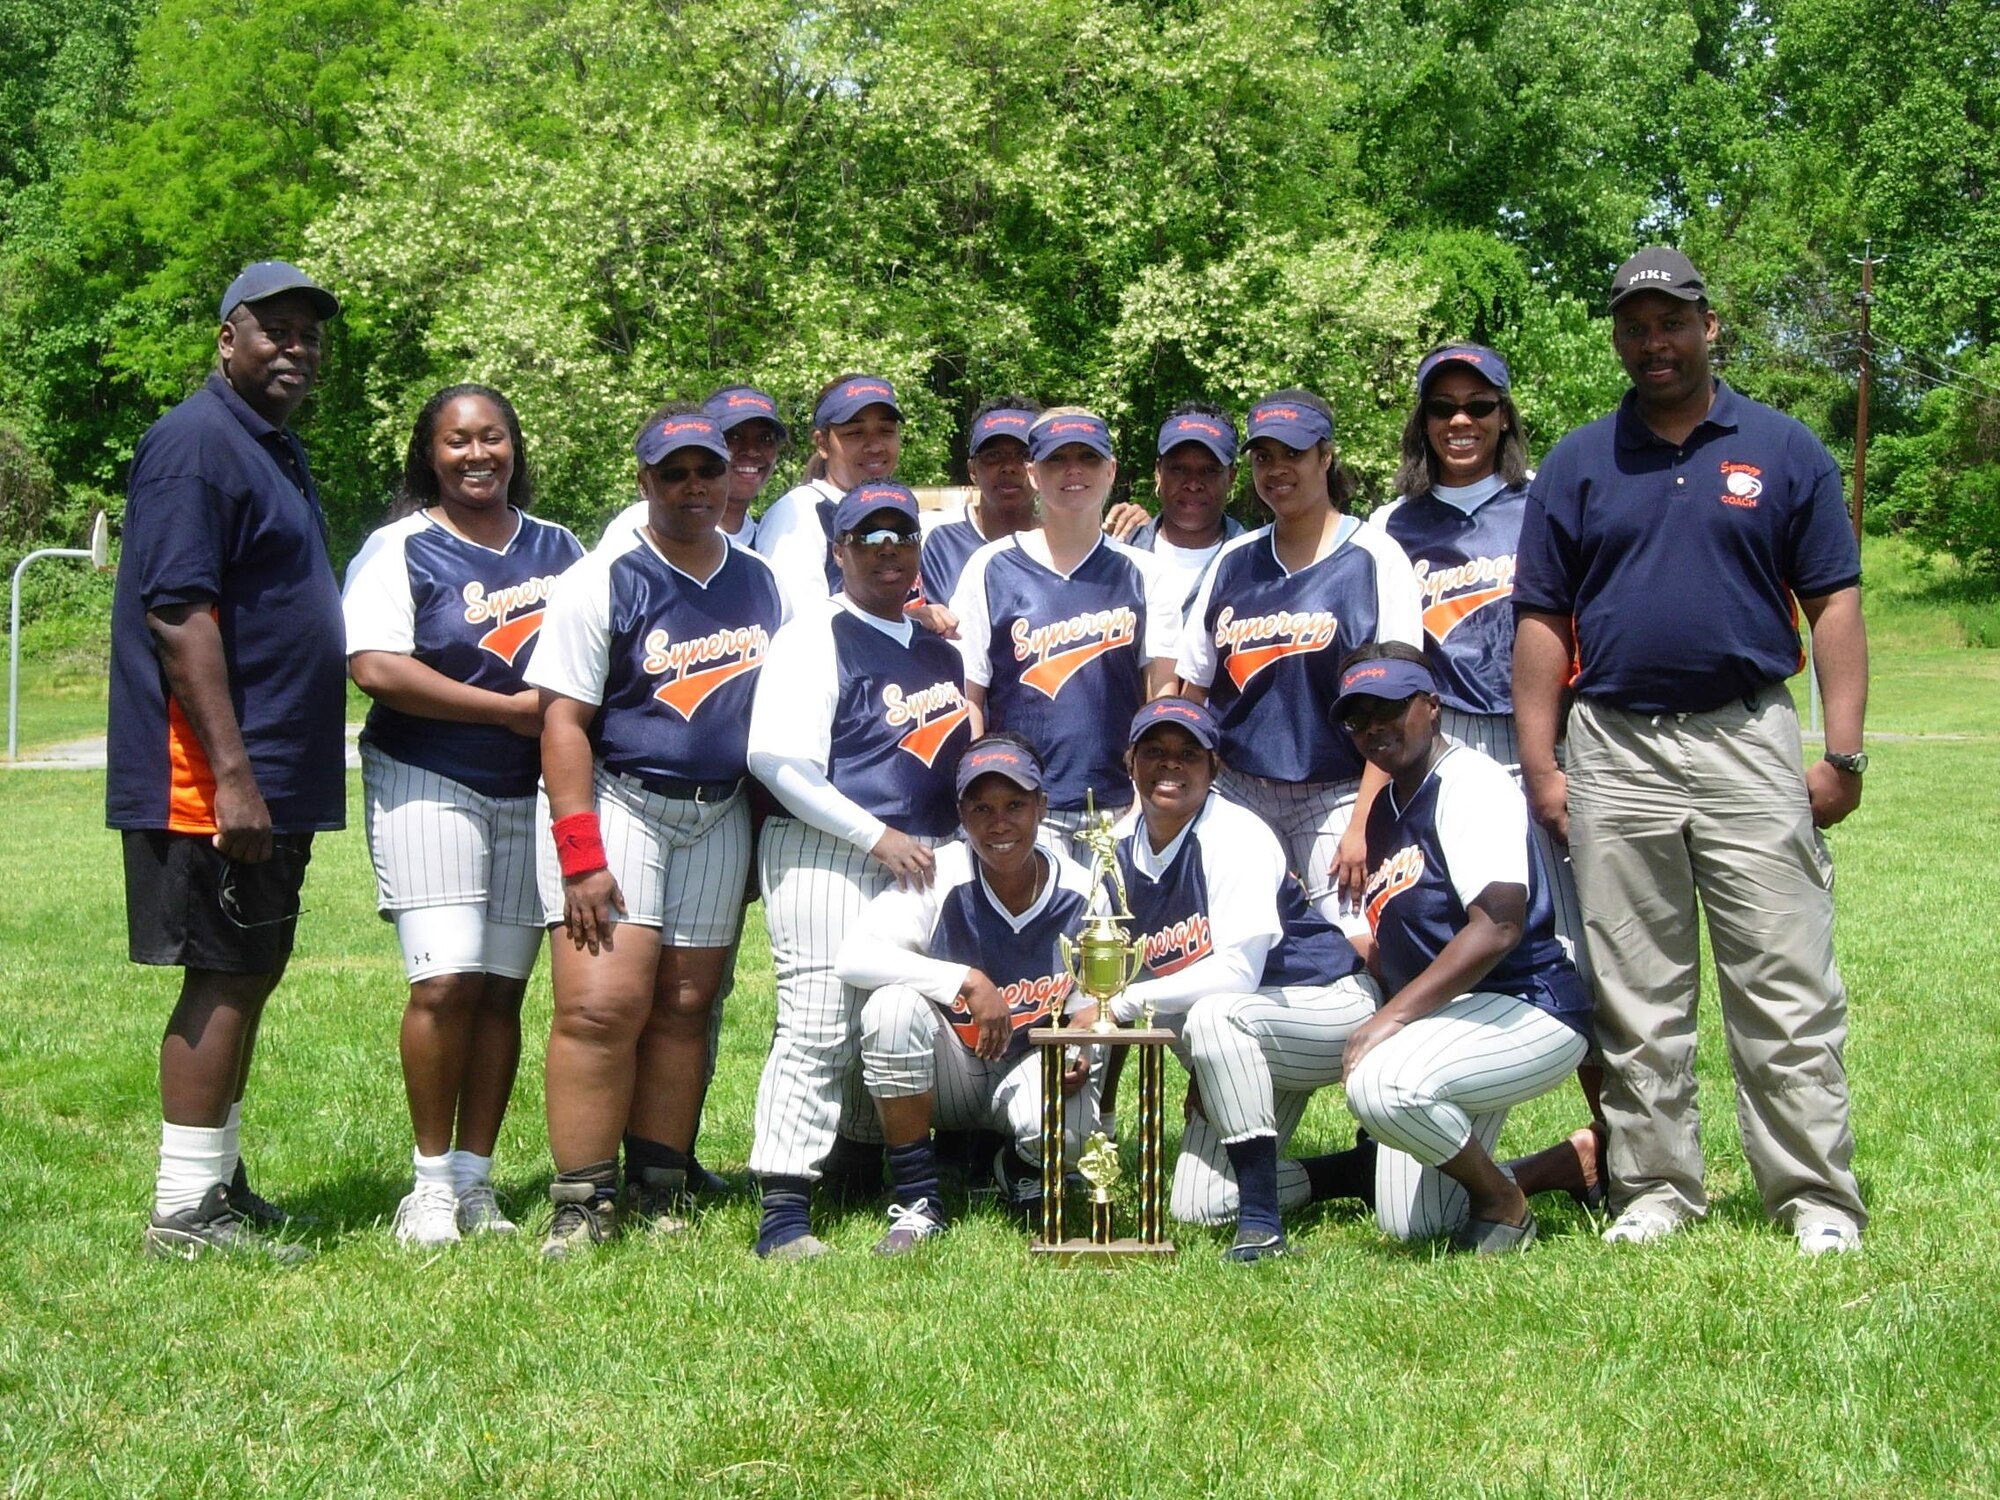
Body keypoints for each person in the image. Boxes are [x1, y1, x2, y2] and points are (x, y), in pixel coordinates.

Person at [1512, 246, 1870, 1255]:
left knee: (1784, 984)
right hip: (1612, 747)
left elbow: (1832, 602)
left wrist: (1839, 754)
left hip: (1745, 736)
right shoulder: (1579, 463)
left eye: (1669, 322)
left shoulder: (1784, 449)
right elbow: (1539, 623)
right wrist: (1544, 768)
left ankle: (1812, 1198)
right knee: (1634, 992)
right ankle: (1656, 1187)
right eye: (1632, 325)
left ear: (1708, 328)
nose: (1651, 342)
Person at [110, 260, 347, 1262]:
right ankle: (183, 1211)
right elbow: (178, 613)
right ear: (226, 339)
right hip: (209, 774)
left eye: (310, 334)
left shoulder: (271, 446)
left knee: (251, 967)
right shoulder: (195, 445)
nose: (297, 347)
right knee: (220, 971)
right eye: (275, 330)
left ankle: (219, 1176)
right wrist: (235, 778)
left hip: (275, 765)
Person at [524, 405, 790, 1259]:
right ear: (642, 483)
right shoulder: (603, 576)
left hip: (716, 809)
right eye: (672, 473)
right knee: (603, 1006)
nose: (692, 487)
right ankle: (580, 1199)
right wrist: (580, 857)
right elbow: (561, 722)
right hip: (618, 798)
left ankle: (659, 1180)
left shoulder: (759, 578)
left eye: (705, 471)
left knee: (684, 1005)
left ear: (728, 479)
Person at [342, 385, 582, 1247]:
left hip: (532, 792)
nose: (477, 455)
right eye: (456, 442)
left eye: (492, 439)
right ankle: (429, 1184)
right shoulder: (401, 546)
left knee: (499, 993)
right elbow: (374, 667)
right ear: (429, 454)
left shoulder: (560, 547)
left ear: (515, 447)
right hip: (428, 776)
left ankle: (477, 1184)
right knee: (444, 983)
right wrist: (509, 712)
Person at [1368, 344, 1604, 1207]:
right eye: (1442, 407)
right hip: (1444, 742)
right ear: (1422, 424)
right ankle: (1411, 1135)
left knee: (1584, 949)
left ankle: (1621, 1151)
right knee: (1430, 930)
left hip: (1545, 736)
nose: (1459, 421)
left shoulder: (1544, 503)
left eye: (1478, 404)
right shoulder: (1396, 524)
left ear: (1505, 414)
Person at [745, 481, 974, 1258]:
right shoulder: (815, 634)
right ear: (838, 553)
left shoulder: (937, 644)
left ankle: (893, 1178)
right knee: (817, 1020)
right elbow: (778, 762)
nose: (886, 553)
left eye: (899, 539)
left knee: (893, 1016)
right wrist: (875, 836)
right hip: (828, 848)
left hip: (922, 856)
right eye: (868, 541)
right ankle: (783, 1211)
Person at [1102, 698, 1382, 1262]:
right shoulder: (1116, 848)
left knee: (1214, 1015)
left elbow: (1236, 973)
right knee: (1197, 1206)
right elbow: (1107, 981)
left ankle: (1262, 1225)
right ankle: (1353, 1172)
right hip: (1246, 1033)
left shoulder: (1235, 833)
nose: (1171, 765)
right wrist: (1101, 1116)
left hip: (1327, 1008)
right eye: (1154, 751)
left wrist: (1123, 1005)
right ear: (1130, 761)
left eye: (1189, 754)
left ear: (1214, 767)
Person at [1335, 647, 1593, 1253]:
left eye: (1391, 708)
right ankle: (1564, 1164)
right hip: (1460, 1016)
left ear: (1431, 706)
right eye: (1357, 717)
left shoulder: (1470, 782)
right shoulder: (1390, 803)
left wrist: (1389, 1018)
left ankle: (1504, 1205)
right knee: (1415, 1224)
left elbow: (1498, 926)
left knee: (1382, 1083)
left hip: (1528, 1004)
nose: (1374, 728)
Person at [1176, 389, 1422, 948]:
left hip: (1336, 791)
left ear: (1325, 457)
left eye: (1292, 453)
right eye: (1263, 457)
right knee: (1229, 945)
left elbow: (1398, 703)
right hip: (1238, 786)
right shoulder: (1233, 560)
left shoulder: (1375, 555)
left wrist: (1361, 822)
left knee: (1358, 941)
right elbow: (1192, 689)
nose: (1277, 469)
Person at [838, 735, 1098, 1252]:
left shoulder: (1084, 885)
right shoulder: (941, 872)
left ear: (1042, 806)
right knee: (891, 1008)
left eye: (1015, 805)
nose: (999, 823)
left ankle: (1017, 1167)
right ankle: (917, 1200)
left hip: (1030, 1064)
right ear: (961, 813)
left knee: (1068, 1134)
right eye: (981, 808)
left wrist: (1082, 1037)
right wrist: (964, 980)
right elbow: (854, 956)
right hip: (952, 1070)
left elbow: (1095, 1001)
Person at [948, 407, 1181, 839]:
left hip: (1120, 807)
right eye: (1057, 458)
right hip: (1020, 809)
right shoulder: (990, 566)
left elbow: (1161, 695)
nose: (1073, 470)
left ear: (1111, 470)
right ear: (1033, 473)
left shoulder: (1146, 572)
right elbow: (969, 697)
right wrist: (978, 795)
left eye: (1088, 457)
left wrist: (1144, 796)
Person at [754, 373, 902, 602]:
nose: (875, 446)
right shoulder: (798, 516)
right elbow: (803, 627)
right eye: (855, 433)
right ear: (822, 444)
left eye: (886, 431)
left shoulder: (898, 510)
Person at [598, 384, 786, 554]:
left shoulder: (767, 541)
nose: (752, 451)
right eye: (734, 437)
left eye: (765, 439)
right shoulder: (639, 525)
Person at [1102, 404, 1249, 609]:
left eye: (1208, 470)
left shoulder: (1256, 562)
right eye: (1178, 469)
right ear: (1158, 472)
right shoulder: (1120, 554)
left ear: (1231, 477)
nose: (1193, 484)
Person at [917, 396, 1042, 608]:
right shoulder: (931, 536)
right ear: (972, 469)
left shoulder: (1061, 544)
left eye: (1024, 455)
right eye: (993, 455)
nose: (1009, 466)